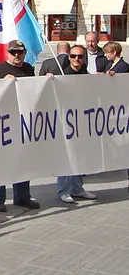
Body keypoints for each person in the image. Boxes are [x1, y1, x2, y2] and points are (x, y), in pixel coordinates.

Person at [0, 40, 41, 212]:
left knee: (23, 160)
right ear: (7, 54)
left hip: (24, 119)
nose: (17, 55)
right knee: (1, 162)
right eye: (13, 52)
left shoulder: (28, 68)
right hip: (3, 122)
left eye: (20, 52)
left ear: (25, 53)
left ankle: (22, 196)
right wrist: (3, 82)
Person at [51, 44, 98, 203]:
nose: (77, 59)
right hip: (66, 122)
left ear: (84, 58)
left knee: (80, 156)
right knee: (66, 156)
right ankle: (63, 190)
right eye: (73, 56)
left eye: (80, 56)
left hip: (83, 121)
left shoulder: (86, 74)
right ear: (68, 57)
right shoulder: (63, 74)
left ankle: (77, 188)